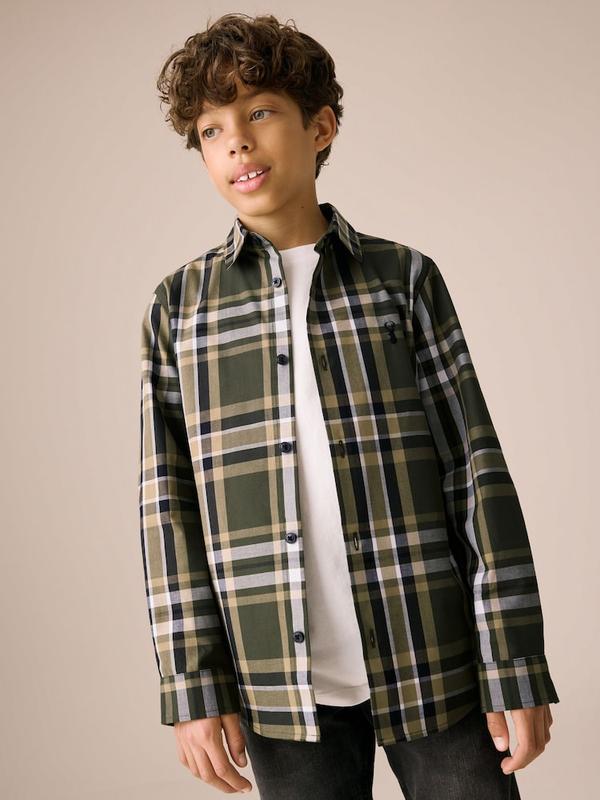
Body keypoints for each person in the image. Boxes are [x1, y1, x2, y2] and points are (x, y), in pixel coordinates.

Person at [139, 12, 559, 799]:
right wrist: (192, 685)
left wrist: (514, 659)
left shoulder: (403, 280)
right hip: (277, 685)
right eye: (211, 130)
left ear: (321, 126)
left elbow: (475, 471)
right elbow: (168, 506)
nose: (236, 142)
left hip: (434, 660)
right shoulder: (180, 309)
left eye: (260, 112)